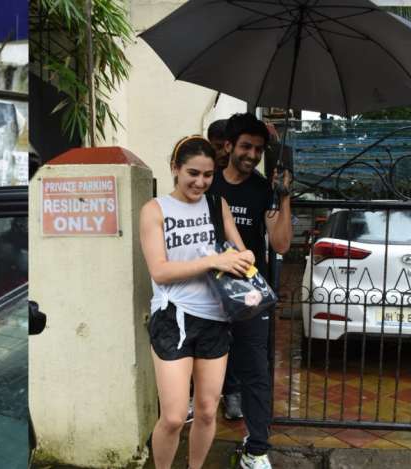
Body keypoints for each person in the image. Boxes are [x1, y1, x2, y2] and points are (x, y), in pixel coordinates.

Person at [140, 136, 255, 469]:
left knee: (206, 410)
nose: (200, 182)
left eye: (207, 175)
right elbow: (159, 271)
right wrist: (212, 262)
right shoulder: (155, 210)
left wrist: (241, 257)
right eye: (193, 173)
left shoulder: (216, 205)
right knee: (175, 416)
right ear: (175, 168)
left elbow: (242, 252)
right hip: (172, 317)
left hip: (215, 318)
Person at [209, 113, 293, 469]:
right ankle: (198, 441)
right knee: (205, 373)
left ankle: (257, 448)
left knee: (256, 372)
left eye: (258, 149)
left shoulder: (263, 190)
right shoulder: (208, 185)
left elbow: (282, 244)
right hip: (206, 293)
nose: (252, 154)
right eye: (245, 146)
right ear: (228, 146)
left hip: (249, 295)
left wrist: (284, 197)